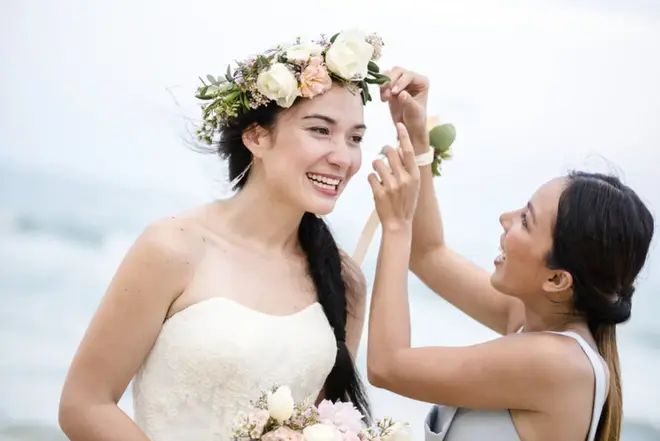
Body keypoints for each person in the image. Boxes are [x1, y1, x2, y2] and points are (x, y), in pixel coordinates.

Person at [58, 29, 388, 441]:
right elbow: (85, 405)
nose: (343, 157)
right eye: (320, 130)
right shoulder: (173, 247)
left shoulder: (343, 280)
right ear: (257, 136)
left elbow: (322, 425)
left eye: (355, 138)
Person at [365, 68, 654, 441]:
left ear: (557, 279)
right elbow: (428, 254)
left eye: (526, 221)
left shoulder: (556, 362)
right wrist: (418, 141)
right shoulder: (532, 321)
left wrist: (396, 224)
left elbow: (387, 366)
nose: (505, 219)